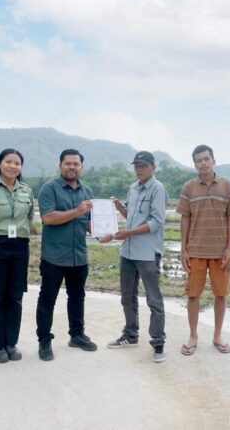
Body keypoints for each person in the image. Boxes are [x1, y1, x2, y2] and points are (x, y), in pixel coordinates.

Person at [99, 151, 167, 363]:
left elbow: (156, 222)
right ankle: (130, 335)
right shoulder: (133, 188)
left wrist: (128, 233)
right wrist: (120, 208)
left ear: (153, 167)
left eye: (144, 165)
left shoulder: (157, 188)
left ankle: (158, 343)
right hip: (128, 252)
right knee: (127, 296)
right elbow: (131, 217)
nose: (139, 169)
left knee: (153, 299)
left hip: (147, 253)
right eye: (137, 165)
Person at [176, 144, 230, 356]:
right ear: (194, 164)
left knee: (221, 295)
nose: (203, 163)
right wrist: (183, 249)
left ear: (213, 161)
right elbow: (185, 218)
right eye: (198, 160)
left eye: (206, 159)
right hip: (195, 250)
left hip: (220, 252)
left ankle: (217, 335)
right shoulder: (189, 188)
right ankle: (193, 336)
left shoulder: (227, 186)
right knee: (193, 295)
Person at [36, 149, 98, 360]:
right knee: (48, 299)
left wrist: (101, 232)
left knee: (77, 297)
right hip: (54, 256)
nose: (72, 167)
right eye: (68, 163)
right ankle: (44, 341)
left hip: (78, 255)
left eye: (76, 164)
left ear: (82, 167)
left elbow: (88, 223)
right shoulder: (49, 188)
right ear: (60, 165)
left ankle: (77, 335)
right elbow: (48, 218)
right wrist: (77, 211)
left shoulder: (87, 191)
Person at [0, 149, 36, 363]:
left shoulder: (27, 191)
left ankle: (11, 342)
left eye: (17, 163)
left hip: (19, 247)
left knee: (15, 296)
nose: (12, 166)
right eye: (8, 161)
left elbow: (29, 219)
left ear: (21, 167)